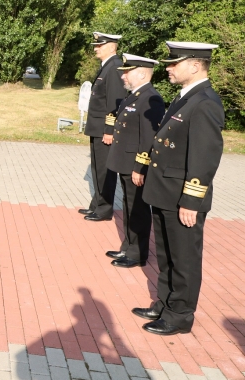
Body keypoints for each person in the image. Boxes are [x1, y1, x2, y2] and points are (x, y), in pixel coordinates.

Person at [132, 42, 224, 336]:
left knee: (184, 257)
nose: (168, 68)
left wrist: (191, 201)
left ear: (195, 66)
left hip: (181, 197)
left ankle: (180, 314)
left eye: (174, 63)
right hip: (164, 191)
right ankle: (165, 303)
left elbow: (204, 157)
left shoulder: (206, 102)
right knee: (167, 253)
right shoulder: (186, 98)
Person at [104, 54, 164, 268]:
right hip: (125, 162)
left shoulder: (151, 99)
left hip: (135, 164)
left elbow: (149, 138)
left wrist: (141, 167)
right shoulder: (135, 96)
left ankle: (138, 253)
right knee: (129, 206)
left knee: (137, 209)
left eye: (127, 72)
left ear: (141, 73)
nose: (123, 76)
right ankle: (128, 246)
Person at [80, 32, 129, 222]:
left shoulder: (115, 66)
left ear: (111, 46)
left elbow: (115, 102)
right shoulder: (107, 67)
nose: (95, 48)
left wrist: (110, 130)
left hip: (104, 129)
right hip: (97, 127)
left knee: (104, 170)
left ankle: (105, 208)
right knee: (97, 168)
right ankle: (97, 203)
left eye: (99, 45)